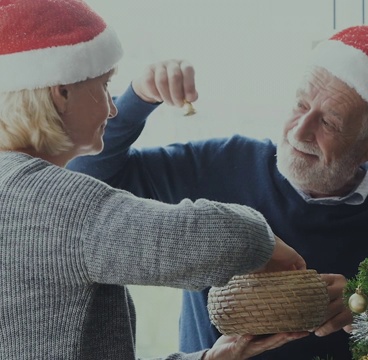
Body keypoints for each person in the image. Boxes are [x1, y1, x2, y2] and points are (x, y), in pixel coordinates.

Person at [68, 25, 368, 359]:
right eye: (300, 105)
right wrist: (137, 98)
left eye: (329, 123)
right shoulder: (224, 163)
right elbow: (82, 179)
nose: (301, 130)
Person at [0, 1, 308, 359]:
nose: (113, 107)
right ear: (62, 92)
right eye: (104, 85)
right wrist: (266, 240)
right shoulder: (56, 204)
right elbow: (224, 239)